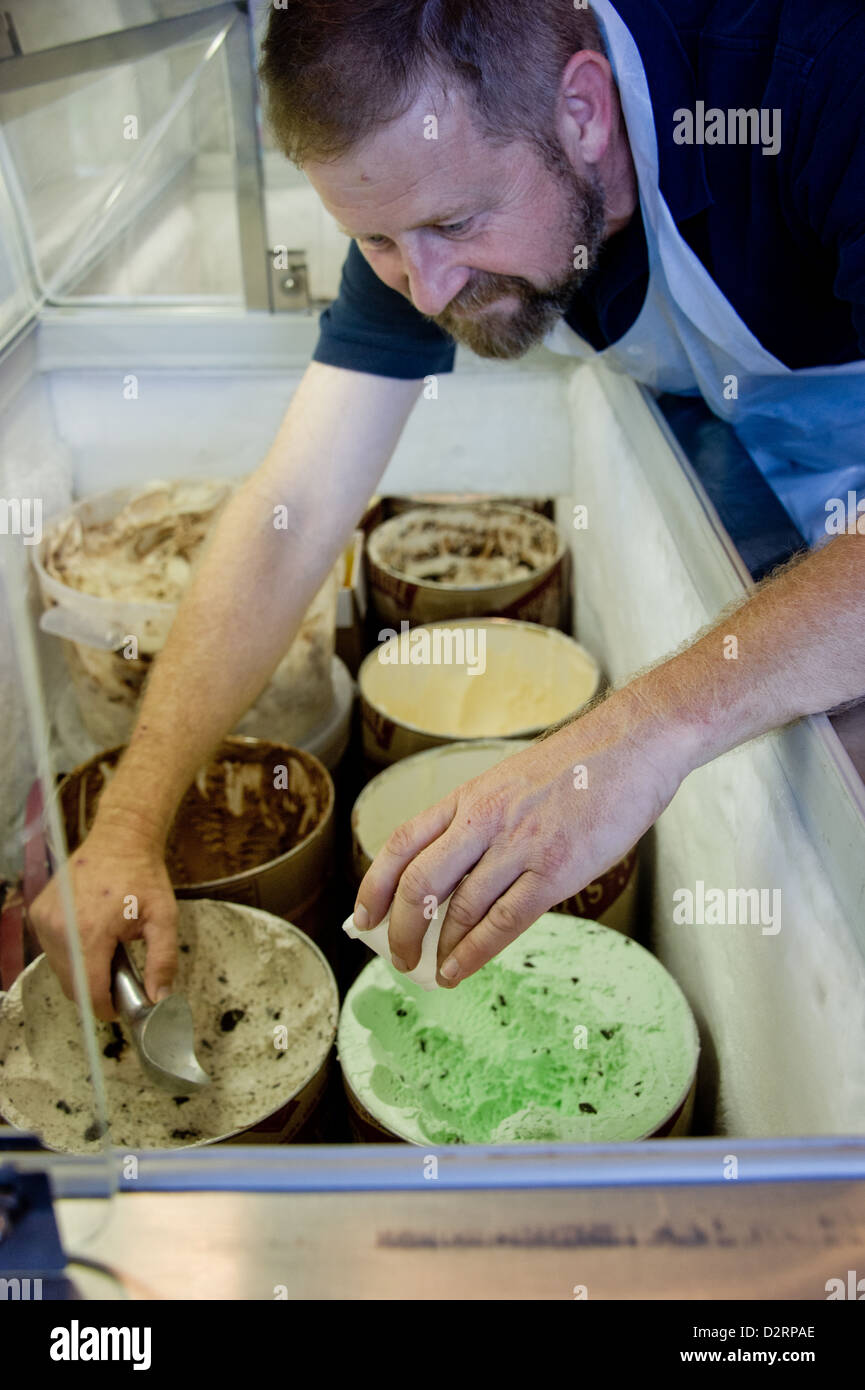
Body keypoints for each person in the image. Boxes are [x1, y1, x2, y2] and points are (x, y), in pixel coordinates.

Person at [32, 0, 865, 1013]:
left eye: (456, 225)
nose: (424, 292)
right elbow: (293, 507)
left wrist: (631, 738)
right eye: (375, 241)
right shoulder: (426, 193)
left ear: (584, 109)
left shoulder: (819, 77)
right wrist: (128, 822)